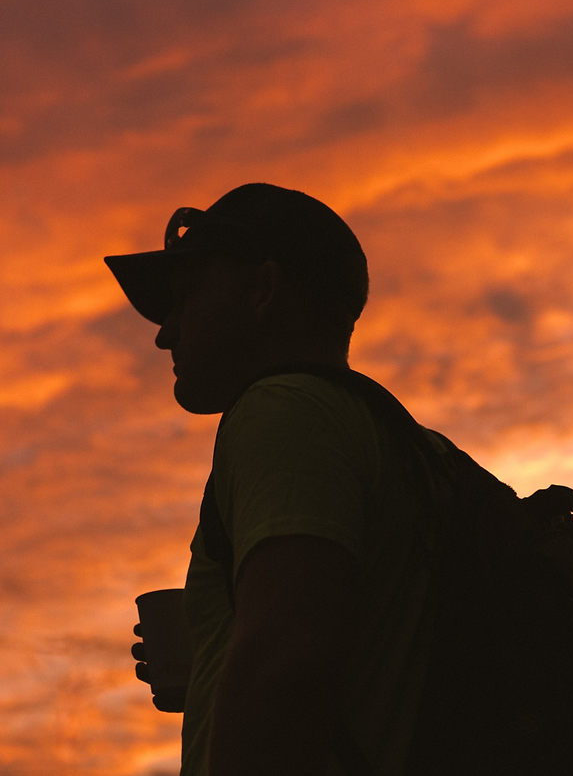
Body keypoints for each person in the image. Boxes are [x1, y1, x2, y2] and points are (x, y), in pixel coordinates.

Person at [105, 183, 444, 776]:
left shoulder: (283, 410)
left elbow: (285, 660)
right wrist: (218, 649)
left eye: (185, 298)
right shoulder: (406, 445)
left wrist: (254, 660)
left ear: (263, 289)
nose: (165, 332)